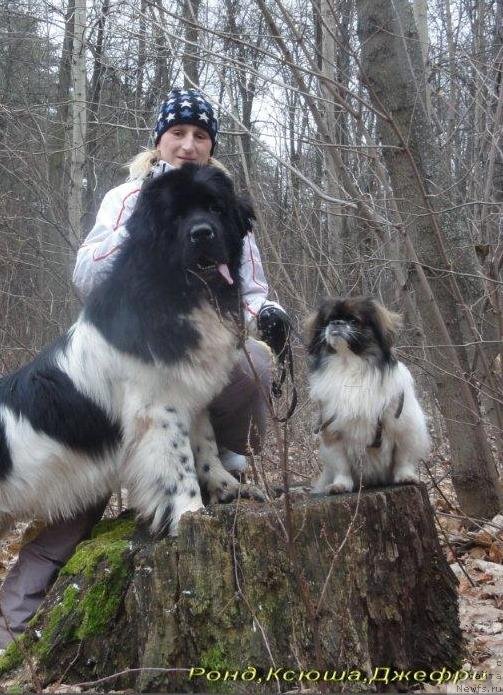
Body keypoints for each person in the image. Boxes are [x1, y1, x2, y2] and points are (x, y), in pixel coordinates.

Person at [0, 88, 291, 651]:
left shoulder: (220, 200)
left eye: (200, 135)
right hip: (109, 381)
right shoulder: (128, 195)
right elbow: (88, 272)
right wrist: (143, 216)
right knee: (69, 517)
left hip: (174, 366)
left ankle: (219, 473)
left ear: (211, 145)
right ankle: (12, 637)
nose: (187, 144)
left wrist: (268, 312)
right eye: (177, 133)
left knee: (251, 365)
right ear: (158, 139)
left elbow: (249, 285)